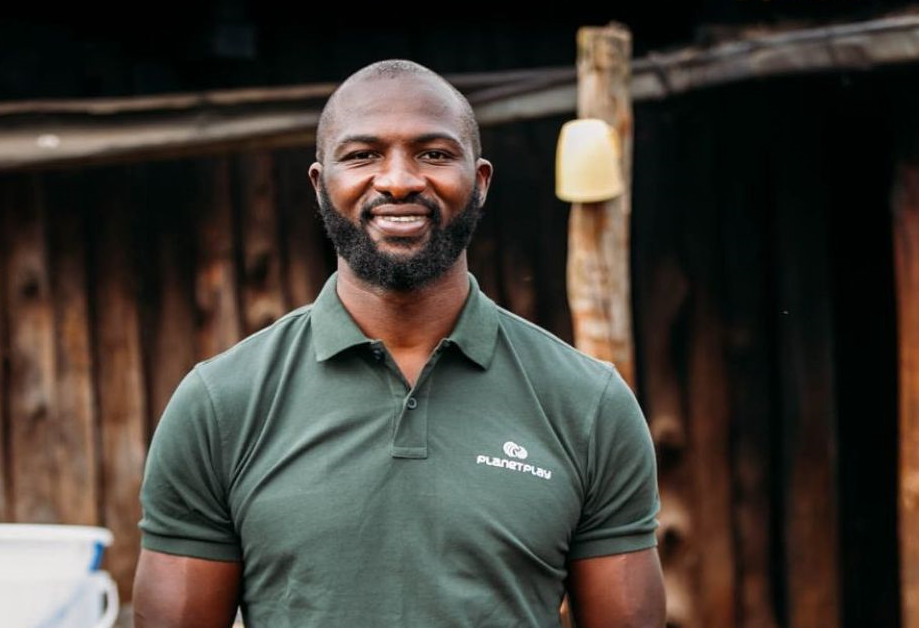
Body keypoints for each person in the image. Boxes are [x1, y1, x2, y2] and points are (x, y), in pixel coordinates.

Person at [133, 59, 665, 628]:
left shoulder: (588, 403)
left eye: (433, 154)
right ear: (320, 185)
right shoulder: (220, 403)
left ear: (480, 182)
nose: (398, 181)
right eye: (362, 155)